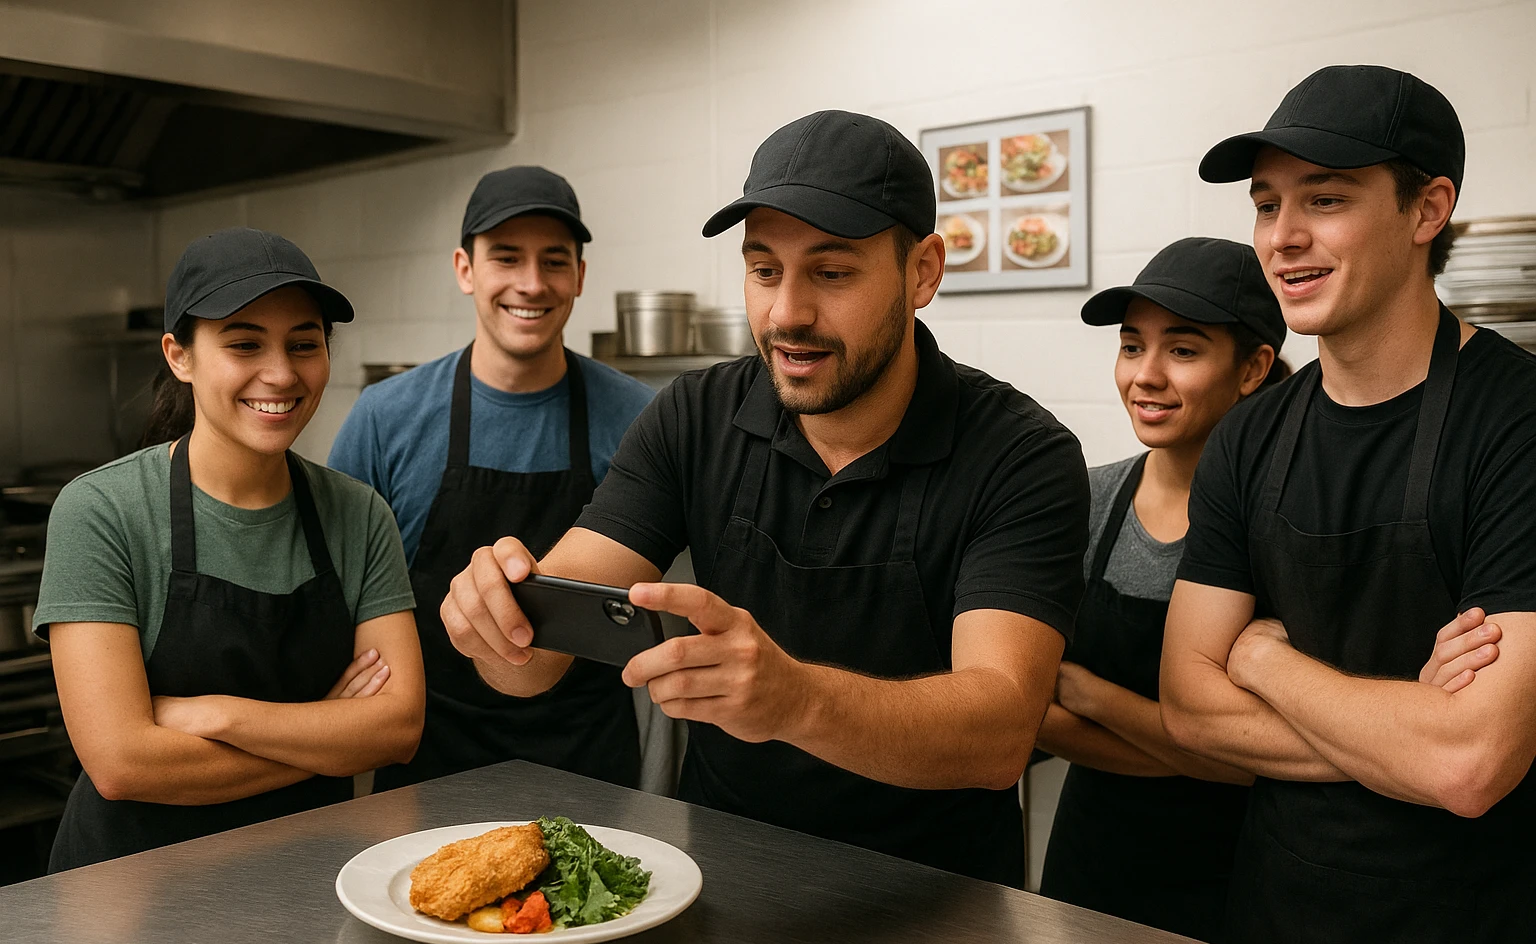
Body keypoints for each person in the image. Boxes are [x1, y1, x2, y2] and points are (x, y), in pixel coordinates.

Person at [436, 110, 1090, 887]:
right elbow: (537, 657)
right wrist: (498, 626)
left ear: (923, 270)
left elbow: (999, 735)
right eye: (764, 269)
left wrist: (797, 700)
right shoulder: (694, 417)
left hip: (940, 904)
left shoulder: (1021, 454)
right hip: (724, 884)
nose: (786, 314)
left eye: (833, 271)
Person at [1161, 65, 1536, 944]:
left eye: (1325, 200)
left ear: (1428, 209)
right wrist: (1409, 721)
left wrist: (1262, 660)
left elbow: (1469, 765)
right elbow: (1188, 709)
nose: (1283, 238)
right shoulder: (1253, 432)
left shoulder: (1515, 421)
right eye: (1267, 204)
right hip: (1277, 940)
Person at [36, 228, 424, 872]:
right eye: (244, 343)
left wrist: (216, 715)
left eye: (305, 344)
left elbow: (397, 729)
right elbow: (120, 763)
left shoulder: (358, 515)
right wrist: (326, 729)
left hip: (311, 878)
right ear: (179, 356)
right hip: (131, 889)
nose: (281, 373)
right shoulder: (102, 512)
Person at [329, 167, 654, 790]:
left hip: (590, 762)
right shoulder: (386, 418)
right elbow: (335, 597)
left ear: (580, 276)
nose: (531, 284)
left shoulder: (640, 418)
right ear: (465, 269)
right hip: (431, 758)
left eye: (554, 261)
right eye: (506, 258)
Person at [1035, 237, 1284, 941]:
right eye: (1130, 346)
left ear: (1253, 368)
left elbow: (1261, 768)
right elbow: (1032, 712)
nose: (1145, 376)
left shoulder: (1282, 524)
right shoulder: (1086, 499)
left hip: (1235, 884)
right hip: (1092, 870)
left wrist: (1094, 698)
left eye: (1182, 350)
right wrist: (1202, 752)